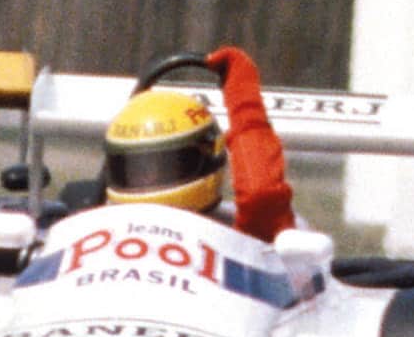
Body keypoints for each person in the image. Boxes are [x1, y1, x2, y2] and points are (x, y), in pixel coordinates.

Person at [102, 45, 294, 242]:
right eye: (135, 170)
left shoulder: (242, 241)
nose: (147, 182)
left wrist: (243, 96)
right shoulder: (95, 230)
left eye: (162, 167)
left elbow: (260, 195)